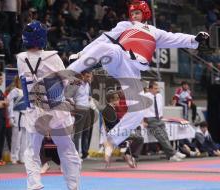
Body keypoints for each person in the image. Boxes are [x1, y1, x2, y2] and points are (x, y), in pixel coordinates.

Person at [67, 0, 209, 163]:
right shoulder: (124, 25)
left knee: (139, 110)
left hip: (132, 72)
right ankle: (71, 71)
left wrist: (195, 39)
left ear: (146, 13)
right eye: (132, 13)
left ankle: (111, 141)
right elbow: (102, 40)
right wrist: (82, 53)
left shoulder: (155, 32)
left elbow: (175, 38)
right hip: (118, 58)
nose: (134, 16)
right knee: (108, 48)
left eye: (137, 13)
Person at [17, 20, 81, 190]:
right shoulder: (53, 57)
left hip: (34, 110)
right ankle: (73, 186)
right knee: (67, 150)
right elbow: (67, 82)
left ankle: (34, 185)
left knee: (32, 151)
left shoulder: (20, 59)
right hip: (57, 109)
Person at [143, 81, 186, 161]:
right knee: (161, 137)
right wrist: (143, 121)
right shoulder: (145, 96)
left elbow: (160, 106)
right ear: (150, 89)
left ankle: (170, 156)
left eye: (158, 88)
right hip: (150, 120)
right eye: (155, 88)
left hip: (159, 119)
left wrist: (161, 115)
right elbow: (142, 110)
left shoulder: (159, 96)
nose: (157, 90)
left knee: (166, 137)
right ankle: (173, 153)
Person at [102, 90, 144, 168]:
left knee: (137, 130)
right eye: (117, 98)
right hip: (115, 134)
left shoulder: (111, 109)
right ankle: (128, 155)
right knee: (139, 138)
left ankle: (128, 155)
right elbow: (113, 126)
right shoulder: (108, 110)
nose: (119, 100)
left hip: (117, 132)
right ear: (111, 100)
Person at [72, 70, 92, 159]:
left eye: (90, 76)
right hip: (79, 109)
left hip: (87, 109)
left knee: (87, 131)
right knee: (78, 133)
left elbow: (87, 96)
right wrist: (73, 107)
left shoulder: (88, 85)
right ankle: (76, 153)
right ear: (82, 76)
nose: (89, 78)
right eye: (87, 76)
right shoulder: (76, 84)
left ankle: (85, 153)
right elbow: (69, 96)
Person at [7, 76, 26, 164]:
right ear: (17, 81)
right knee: (16, 138)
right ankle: (14, 156)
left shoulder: (27, 91)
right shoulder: (14, 91)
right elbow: (9, 103)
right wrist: (11, 117)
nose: (22, 82)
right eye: (20, 81)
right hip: (17, 115)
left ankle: (22, 157)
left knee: (24, 140)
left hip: (25, 116)